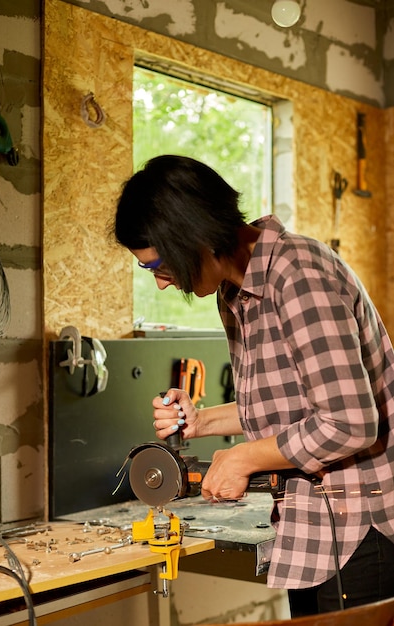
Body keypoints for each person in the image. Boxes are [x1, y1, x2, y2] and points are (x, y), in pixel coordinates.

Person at [112, 154, 394, 617]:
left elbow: (350, 422)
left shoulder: (296, 274)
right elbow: (291, 407)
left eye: (159, 265)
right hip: (312, 531)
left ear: (194, 236)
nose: (162, 284)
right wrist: (201, 420)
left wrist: (241, 456)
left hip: (360, 529)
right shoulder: (234, 291)